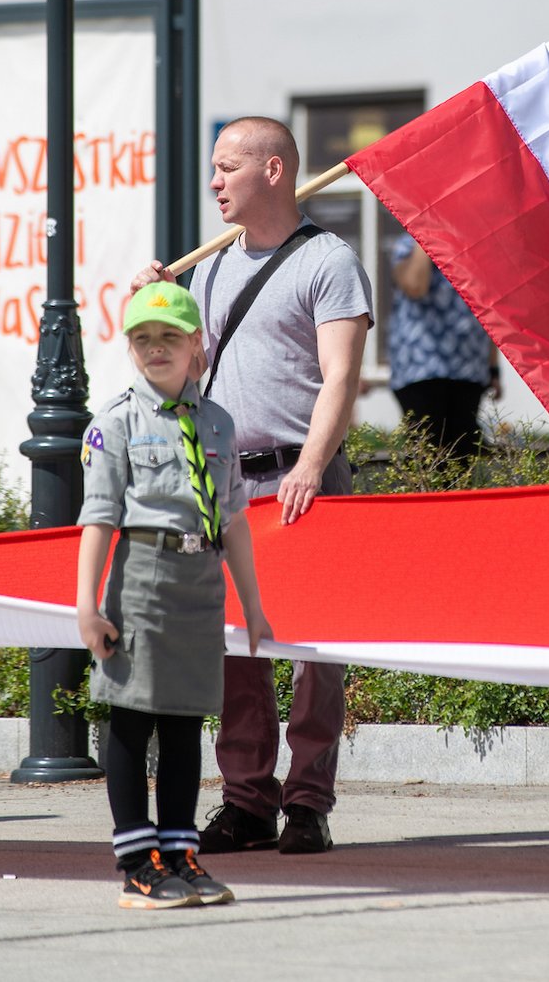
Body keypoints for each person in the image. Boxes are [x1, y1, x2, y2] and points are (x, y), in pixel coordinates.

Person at [131, 116, 373, 857]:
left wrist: (309, 466)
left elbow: (342, 375)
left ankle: (307, 801)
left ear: (274, 171)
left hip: (306, 474)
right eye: (213, 168)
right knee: (237, 645)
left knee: (313, 652)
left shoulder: (328, 260)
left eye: (227, 168)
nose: (213, 183)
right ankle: (245, 799)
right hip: (229, 478)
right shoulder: (210, 267)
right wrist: (156, 312)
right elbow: (183, 376)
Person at [76, 281, 272, 909]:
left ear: (197, 346)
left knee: (187, 723)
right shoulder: (116, 422)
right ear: (131, 348)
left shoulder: (216, 423)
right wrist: (88, 606)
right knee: (133, 722)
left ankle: (181, 854)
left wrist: (253, 604)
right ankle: (136, 861)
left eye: (169, 338)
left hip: (200, 582)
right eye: (142, 339)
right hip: (143, 579)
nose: (155, 349)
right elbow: (99, 519)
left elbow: (235, 519)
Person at [389, 233, 500, 459]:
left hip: (468, 370)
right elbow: (414, 286)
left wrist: (493, 369)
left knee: (461, 457)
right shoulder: (406, 246)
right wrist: (426, 235)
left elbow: (487, 310)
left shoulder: (473, 247)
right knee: (428, 455)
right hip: (421, 371)